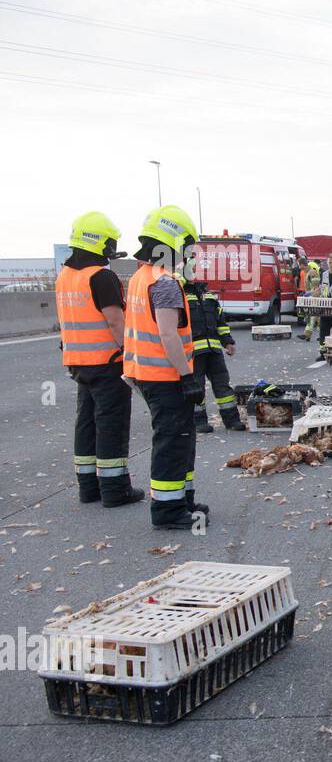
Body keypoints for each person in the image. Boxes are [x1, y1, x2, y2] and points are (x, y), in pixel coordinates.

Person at [122, 204, 208, 530]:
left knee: (181, 437)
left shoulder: (140, 277)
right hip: (166, 375)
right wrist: (187, 377)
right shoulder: (166, 283)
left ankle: (182, 499)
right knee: (173, 440)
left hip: (145, 373)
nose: (188, 256)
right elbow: (168, 334)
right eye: (186, 248)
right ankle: (168, 511)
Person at [54, 211, 143, 508]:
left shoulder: (65, 276)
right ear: (99, 242)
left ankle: (88, 488)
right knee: (110, 424)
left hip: (78, 362)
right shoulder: (102, 277)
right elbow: (116, 322)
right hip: (108, 362)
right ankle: (115, 490)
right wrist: (131, 355)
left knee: (86, 423)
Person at [182, 257, 245, 433]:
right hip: (193, 352)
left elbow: (220, 322)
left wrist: (228, 341)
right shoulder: (180, 295)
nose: (194, 273)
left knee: (222, 385)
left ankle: (232, 420)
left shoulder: (208, 295)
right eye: (190, 270)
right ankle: (198, 421)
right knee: (197, 387)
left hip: (214, 351)